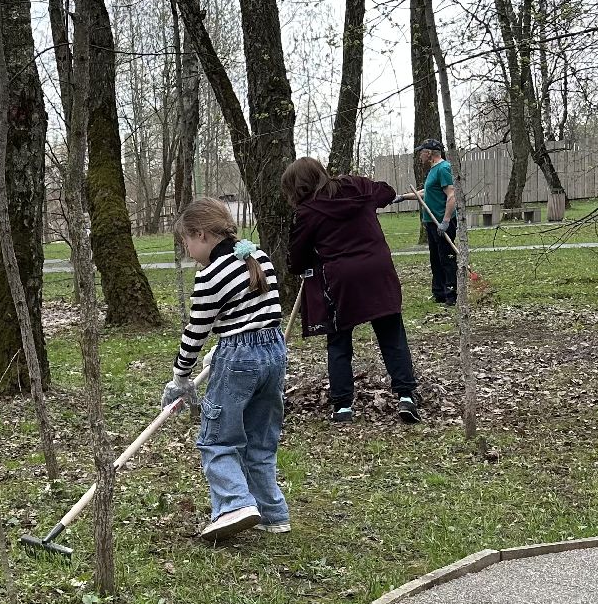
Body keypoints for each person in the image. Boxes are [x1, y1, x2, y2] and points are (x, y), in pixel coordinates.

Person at [160, 197, 290, 541]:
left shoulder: (210, 275)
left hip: (238, 360)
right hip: (274, 352)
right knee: (260, 441)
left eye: (186, 241)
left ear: (201, 234)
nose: (187, 250)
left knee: (217, 440)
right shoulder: (257, 257)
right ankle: (273, 513)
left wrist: (180, 376)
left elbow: (196, 331)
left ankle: (234, 505)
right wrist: (227, 343)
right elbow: (261, 314)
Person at [282, 156, 421, 425]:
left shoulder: (308, 212)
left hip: (341, 280)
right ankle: (406, 396)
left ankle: (343, 406)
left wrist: (309, 259)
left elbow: (295, 260)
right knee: (392, 334)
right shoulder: (357, 187)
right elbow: (388, 192)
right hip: (377, 270)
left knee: (339, 340)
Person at [416, 138, 459, 305]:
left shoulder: (443, 168)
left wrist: (446, 221)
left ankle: (451, 295)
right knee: (435, 259)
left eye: (422, 152)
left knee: (446, 259)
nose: (420, 155)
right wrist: (403, 197)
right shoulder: (433, 170)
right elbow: (426, 192)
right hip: (432, 223)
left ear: (429, 153)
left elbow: (451, 195)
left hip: (442, 222)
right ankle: (439, 293)